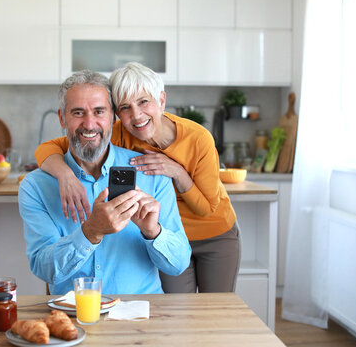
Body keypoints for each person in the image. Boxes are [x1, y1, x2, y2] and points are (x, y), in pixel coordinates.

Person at [35, 62, 240, 293]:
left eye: (143, 102)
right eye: (125, 107)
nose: (136, 115)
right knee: (178, 311)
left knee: (216, 312)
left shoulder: (198, 138)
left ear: (161, 101)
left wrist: (177, 172)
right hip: (163, 235)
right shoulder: (117, 132)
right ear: (116, 114)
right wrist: (65, 175)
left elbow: (207, 208)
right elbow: (47, 148)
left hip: (212, 233)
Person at [18, 69, 190, 295]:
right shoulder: (36, 186)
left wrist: (153, 232)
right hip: (74, 316)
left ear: (113, 117)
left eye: (99, 111)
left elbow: (178, 265)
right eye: (78, 113)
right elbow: (44, 269)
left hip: (140, 316)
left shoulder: (151, 172)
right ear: (62, 118)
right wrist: (90, 232)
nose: (89, 124)